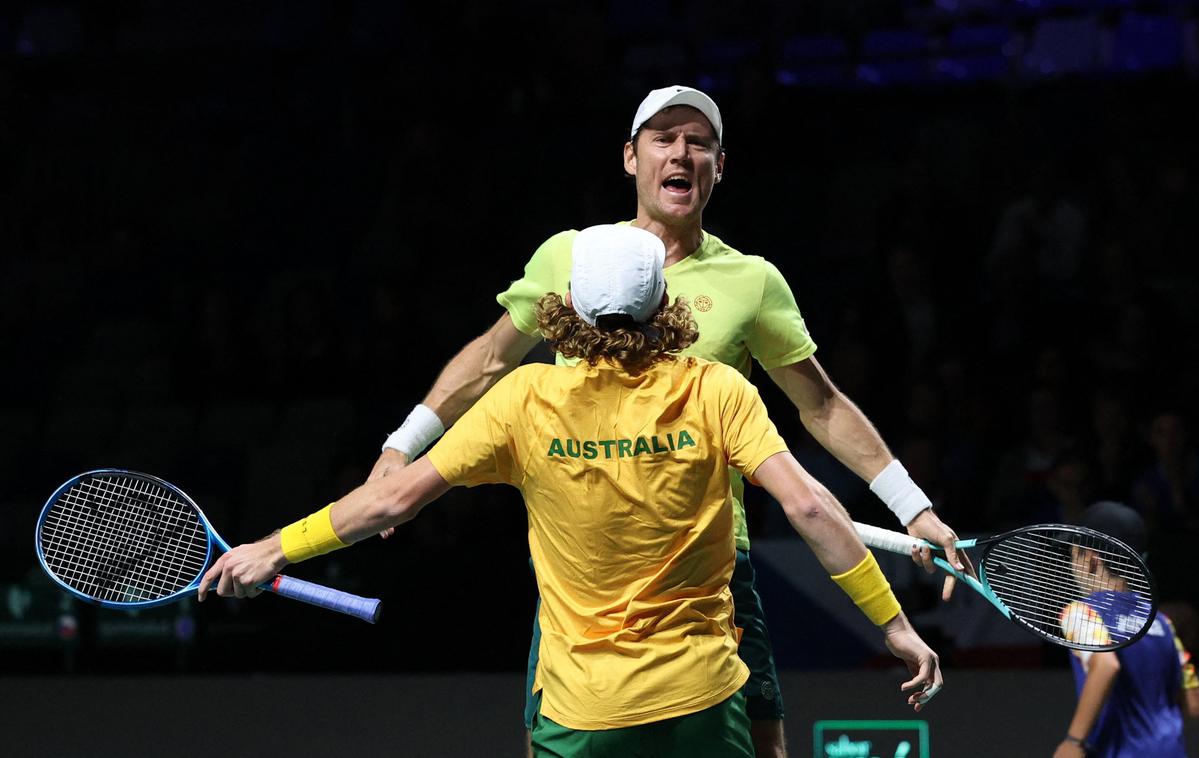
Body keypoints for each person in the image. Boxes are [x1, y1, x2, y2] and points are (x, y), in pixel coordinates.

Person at [368, 85, 968, 757]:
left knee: (764, 748)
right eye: (663, 138)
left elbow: (821, 405)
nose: (680, 153)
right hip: (584, 568)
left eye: (698, 142)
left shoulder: (750, 281)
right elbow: (488, 360)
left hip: (706, 564)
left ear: (719, 165)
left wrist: (912, 509)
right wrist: (402, 446)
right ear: (630, 158)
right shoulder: (568, 258)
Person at [199, 224, 944, 757]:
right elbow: (811, 506)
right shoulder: (718, 389)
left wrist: (273, 548)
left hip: (580, 713)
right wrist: (893, 627)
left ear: (569, 310)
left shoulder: (524, 400)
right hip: (703, 700)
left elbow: (390, 502)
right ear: (665, 306)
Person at [1054, 501, 1199, 758]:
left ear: (1090, 560)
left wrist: (1074, 742)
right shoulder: (1163, 624)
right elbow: (1192, 703)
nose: (1070, 565)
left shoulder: (1081, 613)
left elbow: (1107, 665)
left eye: (1072, 554)